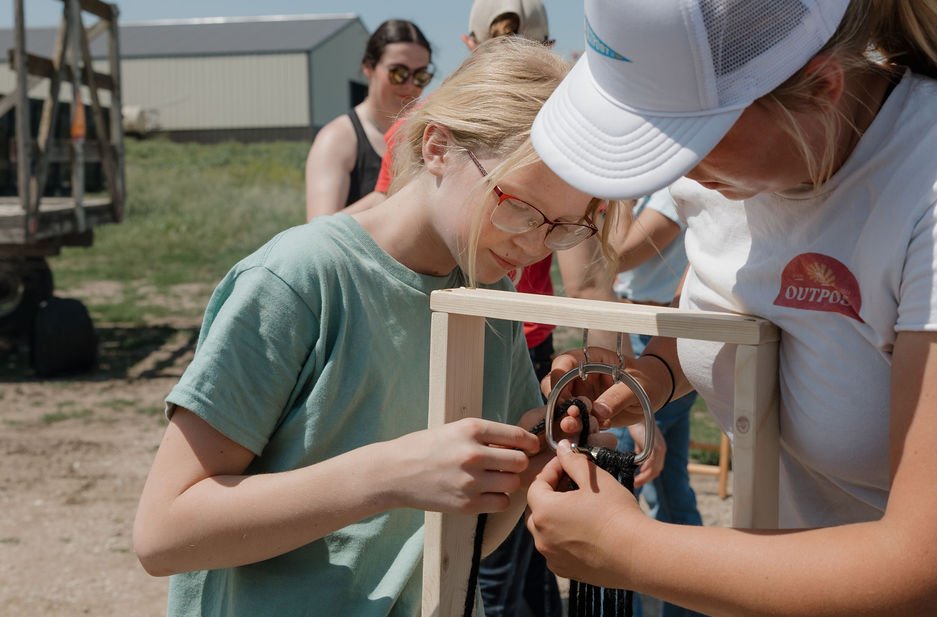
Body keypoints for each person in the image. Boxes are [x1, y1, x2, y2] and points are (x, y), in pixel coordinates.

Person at [525, 1, 937, 616]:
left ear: (821, 87)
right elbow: (733, 307)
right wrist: (645, 379)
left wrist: (630, 548)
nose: (674, 167)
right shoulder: (723, 169)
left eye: (687, 137)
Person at [133, 37, 619, 617]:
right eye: (518, 207)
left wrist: (541, 455)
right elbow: (163, 533)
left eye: (562, 228)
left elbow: (463, 539)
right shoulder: (300, 277)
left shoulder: (489, 300)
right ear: (438, 146)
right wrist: (389, 474)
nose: (534, 244)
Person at [607, 185, 706, 617]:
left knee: (623, 483)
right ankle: (695, 602)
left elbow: (617, 253)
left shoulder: (669, 189)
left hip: (661, 335)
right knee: (668, 486)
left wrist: (619, 193)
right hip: (643, 329)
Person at [304, 19, 432, 220]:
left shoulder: (430, 133)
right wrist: (383, 195)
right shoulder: (338, 138)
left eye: (421, 76)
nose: (409, 85)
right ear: (368, 68)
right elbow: (318, 230)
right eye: (398, 73)